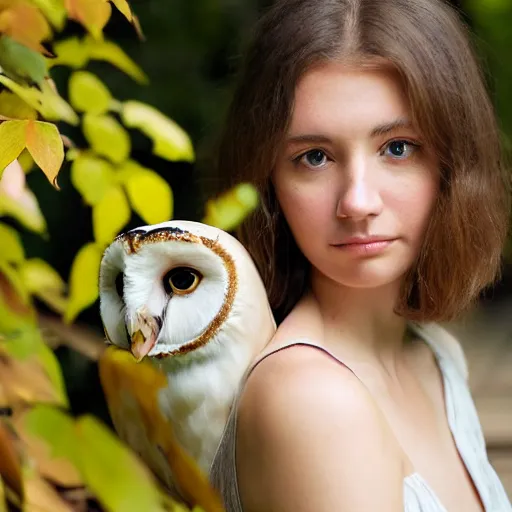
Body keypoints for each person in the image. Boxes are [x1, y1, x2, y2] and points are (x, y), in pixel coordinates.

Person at [209, 0, 512, 510]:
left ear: (453, 164)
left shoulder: (436, 357)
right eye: (315, 157)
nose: (357, 201)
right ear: (268, 183)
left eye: (397, 147)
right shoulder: (311, 399)